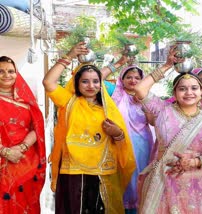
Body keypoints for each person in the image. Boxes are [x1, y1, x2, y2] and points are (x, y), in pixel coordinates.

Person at [42, 42, 136, 214]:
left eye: (95, 81)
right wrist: (69, 56)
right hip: (73, 172)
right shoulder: (69, 102)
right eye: (85, 81)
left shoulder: (108, 108)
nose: (91, 86)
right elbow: (48, 82)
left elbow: (121, 139)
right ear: (77, 84)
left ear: (101, 84)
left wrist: (118, 134)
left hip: (102, 173)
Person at [135, 46, 202, 213]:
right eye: (182, 88)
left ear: (201, 91)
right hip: (163, 183)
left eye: (194, 88)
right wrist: (167, 65)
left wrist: (196, 162)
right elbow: (140, 90)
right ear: (175, 92)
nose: (189, 92)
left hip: (197, 187)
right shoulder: (162, 111)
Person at [0, 56, 46, 213]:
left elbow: (37, 127)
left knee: (25, 204)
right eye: (1, 71)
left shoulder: (27, 100)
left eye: (11, 71)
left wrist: (22, 147)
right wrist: (5, 152)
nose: (6, 75)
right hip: (2, 163)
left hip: (26, 161)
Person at [111, 65, 154, 214]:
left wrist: (144, 103)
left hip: (142, 144)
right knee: (123, 177)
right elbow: (100, 79)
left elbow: (152, 121)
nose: (133, 80)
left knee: (140, 176)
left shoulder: (146, 97)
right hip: (119, 143)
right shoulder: (115, 94)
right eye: (129, 77)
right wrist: (118, 63)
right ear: (122, 79)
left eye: (137, 78)